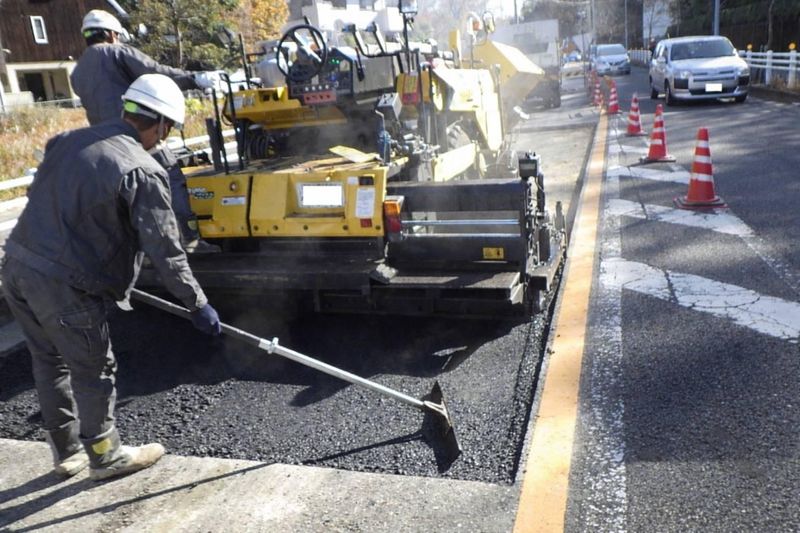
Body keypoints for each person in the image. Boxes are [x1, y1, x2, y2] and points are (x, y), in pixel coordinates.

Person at [1, 74, 222, 482]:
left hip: (16, 267)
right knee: (93, 370)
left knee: (48, 361)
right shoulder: (142, 169)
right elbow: (166, 250)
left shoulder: (67, 141)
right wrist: (197, 303)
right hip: (65, 285)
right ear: (161, 124)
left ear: (127, 109)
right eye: (168, 129)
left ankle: (67, 453)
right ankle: (105, 456)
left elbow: (52, 205)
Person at [70, 9, 222, 253]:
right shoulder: (118, 53)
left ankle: (143, 250)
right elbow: (156, 74)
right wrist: (195, 79)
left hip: (105, 144)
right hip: (138, 135)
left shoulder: (77, 71)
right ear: (111, 34)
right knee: (170, 178)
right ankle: (188, 240)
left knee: (131, 195)